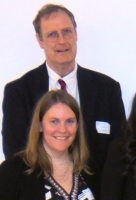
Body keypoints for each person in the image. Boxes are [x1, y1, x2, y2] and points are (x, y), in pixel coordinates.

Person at [2, 4, 125, 174]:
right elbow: (15, 154)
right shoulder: (18, 92)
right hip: (38, 194)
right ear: (40, 40)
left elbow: (119, 150)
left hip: (97, 194)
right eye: (52, 34)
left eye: (67, 31)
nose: (62, 41)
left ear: (76, 34)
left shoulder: (107, 89)